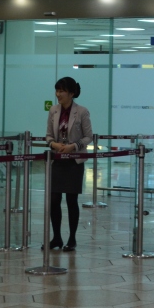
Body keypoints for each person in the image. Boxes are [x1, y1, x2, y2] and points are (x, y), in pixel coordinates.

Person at [45, 76, 93, 251]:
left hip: (74, 161)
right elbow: (48, 136)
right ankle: (56, 237)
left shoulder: (82, 112)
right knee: (54, 199)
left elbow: (88, 136)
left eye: (62, 91)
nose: (58, 94)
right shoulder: (53, 111)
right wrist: (54, 145)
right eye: (57, 91)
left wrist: (74, 146)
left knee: (71, 199)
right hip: (58, 160)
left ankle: (72, 238)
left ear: (71, 93)